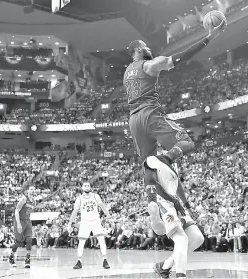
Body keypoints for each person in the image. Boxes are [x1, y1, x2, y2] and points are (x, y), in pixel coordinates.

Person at [124, 18, 226, 237]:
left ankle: (152, 201)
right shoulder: (149, 64)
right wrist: (209, 38)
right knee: (186, 142)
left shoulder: (126, 73)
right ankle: (167, 159)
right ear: (138, 51)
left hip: (133, 119)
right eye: (145, 47)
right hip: (150, 113)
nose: (149, 49)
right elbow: (179, 58)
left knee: (147, 164)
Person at [147, 156, 204, 279]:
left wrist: (188, 206)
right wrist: (173, 200)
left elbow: (177, 185)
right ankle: (180, 276)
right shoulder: (154, 157)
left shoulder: (174, 158)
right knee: (181, 240)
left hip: (177, 203)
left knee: (197, 238)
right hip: (164, 203)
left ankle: (164, 266)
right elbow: (153, 185)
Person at [8, 184, 56, 268]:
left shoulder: (34, 201)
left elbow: (28, 211)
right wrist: (18, 223)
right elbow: (16, 211)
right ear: (28, 191)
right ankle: (11, 256)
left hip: (28, 221)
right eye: (31, 189)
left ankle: (27, 259)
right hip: (20, 220)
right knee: (18, 241)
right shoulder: (23, 199)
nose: (33, 190)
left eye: (34, 189)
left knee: (29, 240)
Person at [66, 182, 111, 270]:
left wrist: (108, 215)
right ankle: (79, 261)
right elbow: (75, 211)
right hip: (85, 222)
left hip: (96, 221)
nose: (87, 187)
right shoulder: (79, 198)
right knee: (81, 242)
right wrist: (69, 223)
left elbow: (102, 205)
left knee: (101, 240)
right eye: (85, 186)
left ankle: (105, 260)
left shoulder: (95, 196)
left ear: (90, 187)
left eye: (88, 186)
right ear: (82, 188)